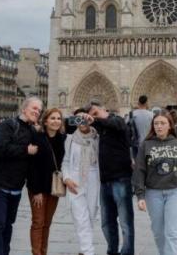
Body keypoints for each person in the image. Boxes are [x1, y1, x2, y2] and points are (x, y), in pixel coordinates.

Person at [0, 97, 42, 255]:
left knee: (8, 224)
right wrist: (25, 150)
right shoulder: (7, 125)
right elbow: (1, 148)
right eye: (34, 108)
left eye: (39, 110)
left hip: (16, 187)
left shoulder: (31, 131)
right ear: (24, 109)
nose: (37, 111)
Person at [133, 111, 177, 255]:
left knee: (172, 233)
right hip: (153, 193)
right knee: (159, 233)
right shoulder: (146, 145)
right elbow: (139, 171)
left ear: (169, 126)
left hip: (175, 192)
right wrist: (140, 196)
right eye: (156, 123)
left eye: (163, 123)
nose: (159, 126)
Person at [83, 99, 135, 255]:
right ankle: (112, 251)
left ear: (104, 109)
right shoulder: (97, 128)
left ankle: (127, 253)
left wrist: (96, 120)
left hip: (121, 179)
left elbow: (116, 125)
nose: (93, 118)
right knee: (106, 222)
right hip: (104, 181)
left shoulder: (117, 121)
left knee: (125, 222)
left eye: (96, 113)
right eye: (91, 116)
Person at [26, 108, 66, 255]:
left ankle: (44, 252)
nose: (56, 121)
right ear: (45, 121)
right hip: (38, 187)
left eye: (58, 118)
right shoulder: (37, 137)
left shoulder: (63, 139)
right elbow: (32, 166)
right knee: (38, 222)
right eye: (53, 118)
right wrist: (36, 191)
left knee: (47, 224)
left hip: (54, 187)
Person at [62, 108, 100, 255]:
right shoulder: (70, 139)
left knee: (90, 216)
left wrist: (94, 122)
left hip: (94, 179)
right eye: (78, 119)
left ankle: (85, 249)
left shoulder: (97, 138)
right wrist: (67, 178)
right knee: (80, 217)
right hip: (75, 179)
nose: (81, 122)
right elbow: (65, 162)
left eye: (84, 118)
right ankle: (88, 251)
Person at [129, 95, 154, 159]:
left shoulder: (132, 114)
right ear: (146, 103)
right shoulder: (152, 115)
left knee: (138, 165)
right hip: (149, 144)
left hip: (136, 144)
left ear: (138, 103)